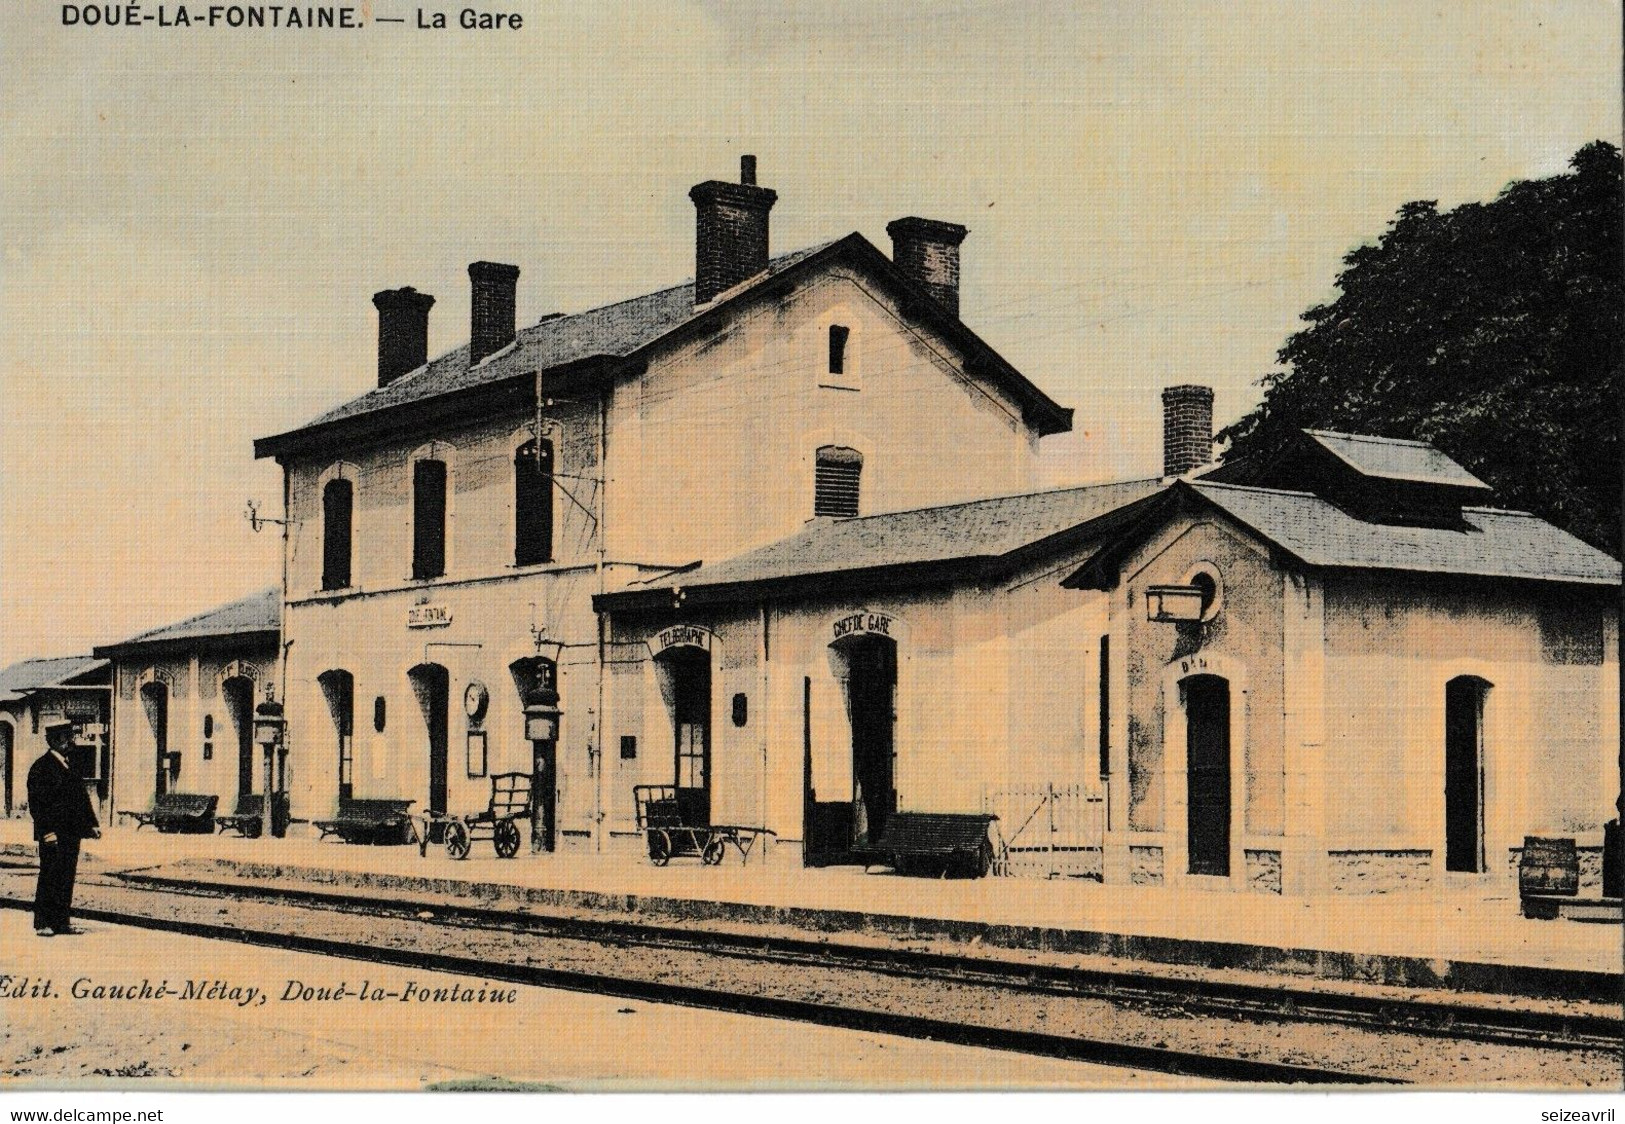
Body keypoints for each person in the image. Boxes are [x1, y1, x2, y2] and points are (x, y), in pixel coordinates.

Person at [27, 720, 100, 936]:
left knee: (66, 877)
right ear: (53, 741)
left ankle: (61, 922)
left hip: (71, 833)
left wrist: (91, 825)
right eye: (65, 738)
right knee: (50, 876)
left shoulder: (71, 765)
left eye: (70, 737)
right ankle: (43, 923)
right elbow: (37, 805)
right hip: (53, 834)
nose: (70, 742)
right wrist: (46, 832)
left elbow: (81, 798)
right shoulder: (41, 767)